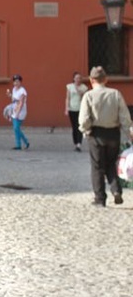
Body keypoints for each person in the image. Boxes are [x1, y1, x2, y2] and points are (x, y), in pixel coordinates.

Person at [78, 66, 132, 207]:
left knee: (97, 167)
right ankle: (116, 190)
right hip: (113, 133)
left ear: (91, 80)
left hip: (96, 134)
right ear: (106, 79)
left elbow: (84, 119)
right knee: (111, 163)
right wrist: (129, 133)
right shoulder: (115, 94)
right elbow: (125, 117)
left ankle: (100, 198)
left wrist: (85, 130)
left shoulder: (88, 96)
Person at [64, 71, 88, 152]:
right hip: (72, 109)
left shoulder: (84, 87)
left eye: (79, 78)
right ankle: (75, 142)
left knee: (79, 126)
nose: (78, 79)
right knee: (74, 127)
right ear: (73, 79)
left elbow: (83, 96)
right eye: (76, 78)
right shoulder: (69, 87)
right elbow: (67, 98)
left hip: (80, 109)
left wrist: (77, 88)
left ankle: (79, 144)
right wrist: (66, 108)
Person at [7, 74, 29, 150]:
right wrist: (10, 95)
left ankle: (25, 141)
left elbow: (21, 103)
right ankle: (18, 145)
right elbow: (14, 99)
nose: (16, 83)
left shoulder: (22, 91)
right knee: (16, 128)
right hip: (14, 109)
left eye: (17, 81)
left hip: (21, 111)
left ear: (20, 82)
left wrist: (17, 113)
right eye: (15, 81)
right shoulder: (14, 89)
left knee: (16, 127)